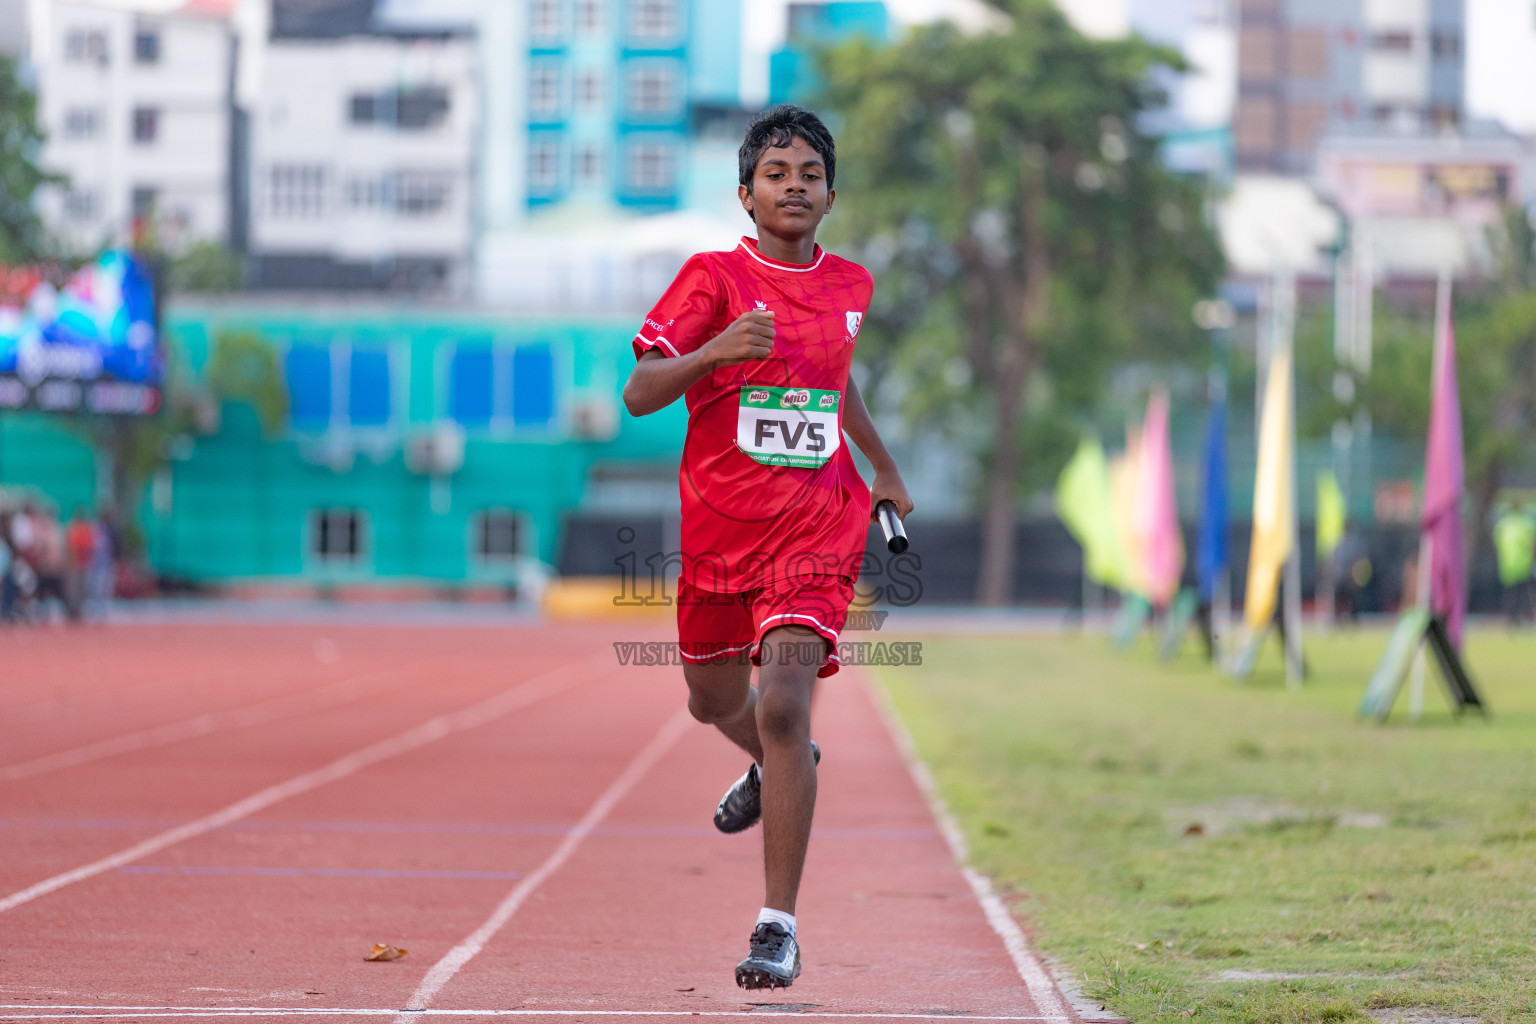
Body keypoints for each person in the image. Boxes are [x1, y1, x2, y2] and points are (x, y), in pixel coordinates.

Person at [622, 105, 913, 990]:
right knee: (712, 699)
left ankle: (776, 927)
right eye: (776, 174)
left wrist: (886, 469)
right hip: (719, 534)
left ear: (831, 192)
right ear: (745, 193)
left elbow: (836, 383)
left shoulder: (853, 285)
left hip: (818, 524)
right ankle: (782, 766)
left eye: (810, 174)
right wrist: (717, 350)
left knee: (784, 705)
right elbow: (638, 393)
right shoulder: (712, 276)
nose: (795, 186)